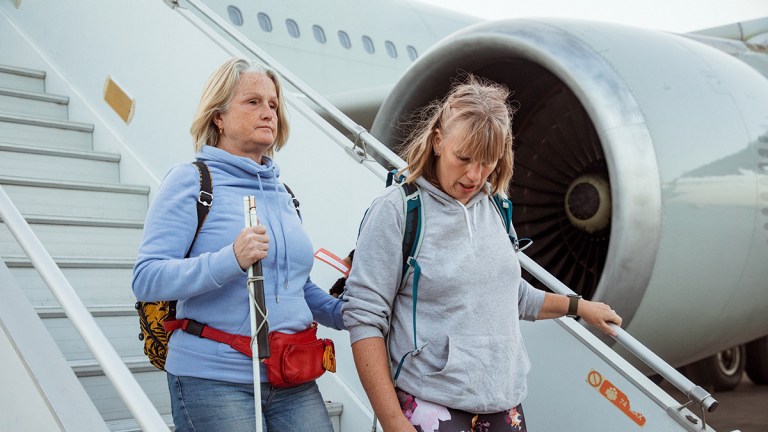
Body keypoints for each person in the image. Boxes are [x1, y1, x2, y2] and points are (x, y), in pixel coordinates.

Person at [342, 75, 623, 432]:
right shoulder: (397, 210)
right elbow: (365, 317)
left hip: (505, 406)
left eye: (488, 161)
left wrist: (578, 306)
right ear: (438, 140)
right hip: (432, 408)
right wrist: (393, 421)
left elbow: (511, 296)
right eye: (465, 157)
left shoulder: (495, 206)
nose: (475, 175)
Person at [132, 58, 345, 432]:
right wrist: (230, 258)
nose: (268, 112)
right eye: (253, 102)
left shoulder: (283, 193)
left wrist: (347, 313)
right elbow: (147, 278)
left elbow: (295, 287)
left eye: (274, 105)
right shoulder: (191, 181)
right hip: (212, 378)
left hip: (290, 374)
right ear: (219, 117)